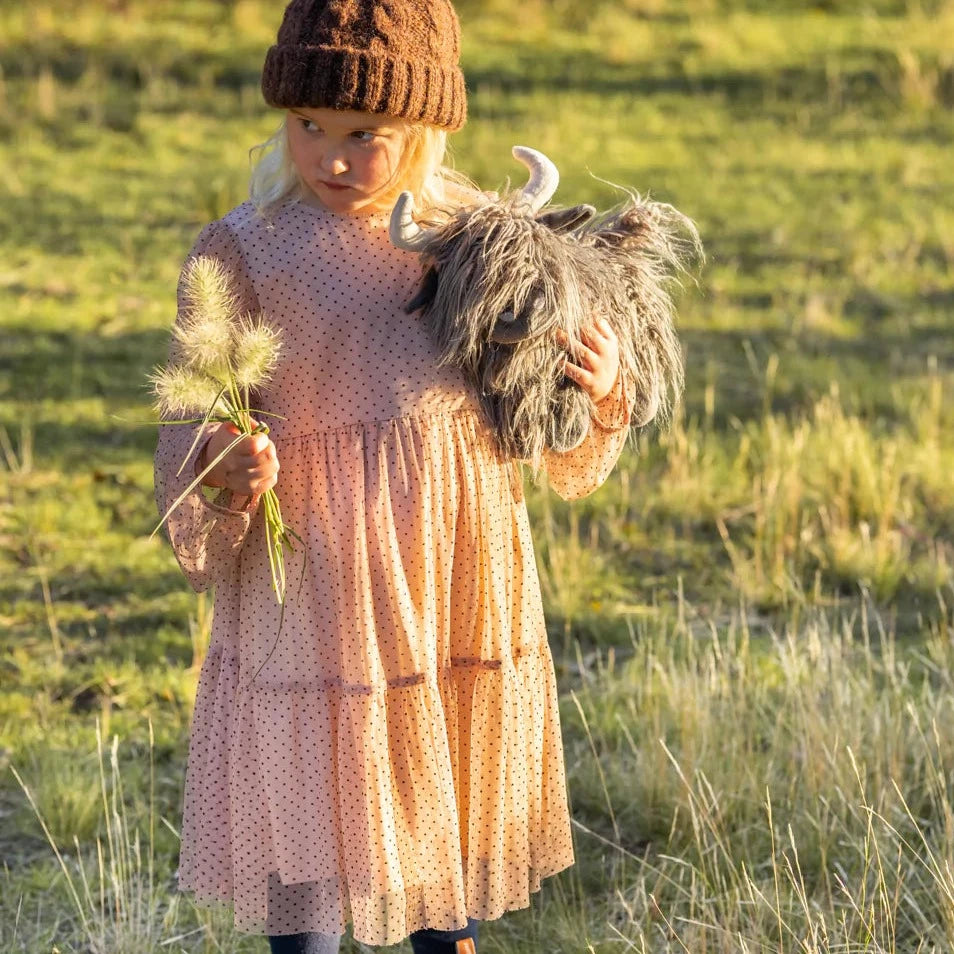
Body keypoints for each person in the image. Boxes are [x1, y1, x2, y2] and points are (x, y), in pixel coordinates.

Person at [153, 1, 642, 951]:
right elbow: (195, 411)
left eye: (364, 134)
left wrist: (600, 382)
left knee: (436, 792)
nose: (331, 156)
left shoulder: (483, 244)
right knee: (310, 799)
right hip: (319, 570)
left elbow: (541, 409)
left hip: (447, 560)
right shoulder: (245, 249)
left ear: (423, 131)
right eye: (309, 127)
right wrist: (224, 464)